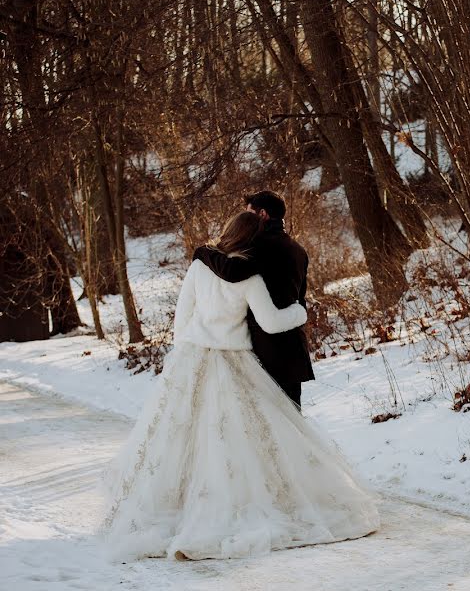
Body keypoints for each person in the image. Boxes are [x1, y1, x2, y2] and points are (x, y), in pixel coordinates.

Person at [101, 212, 379, 561]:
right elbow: (272, 322)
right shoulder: (250, 276)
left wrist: (184, 352)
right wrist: (301, 312)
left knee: (181, 438)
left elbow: (181, 317)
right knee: (241, 437)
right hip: (233, 360)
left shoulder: (200, 265)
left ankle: (182, 506)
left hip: (193, 359)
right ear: (252, 239)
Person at [193, 191, 313, 409]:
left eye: (249, 213)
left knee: (273, 424)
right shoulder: (298, 250)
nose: (245, 218)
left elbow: (231, 271)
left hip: (265, 348)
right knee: (294, 424)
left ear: (263, 214)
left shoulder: (260, 246)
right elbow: (300, 298)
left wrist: (203, 252)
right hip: (293, 347)